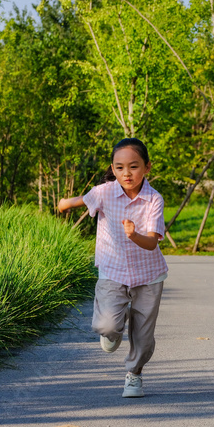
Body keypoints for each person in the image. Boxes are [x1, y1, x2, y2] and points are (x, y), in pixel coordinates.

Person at [57, 138, 167, 399]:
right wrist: (64, 203)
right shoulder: (105, 192)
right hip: (112, 270)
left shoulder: (154, 199)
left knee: (143, 334)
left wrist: (134, 235)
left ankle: (134, 374)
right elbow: (83, 200)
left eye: (133, 166)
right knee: (107, 325)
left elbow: (151, 242)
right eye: (119, 168)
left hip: (148, 276)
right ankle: (114, 329)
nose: (126, 174)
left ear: (147, 167)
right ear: (113, 169)